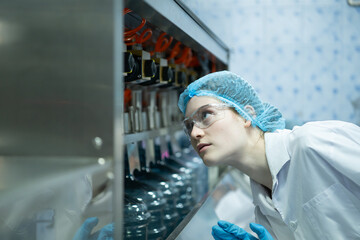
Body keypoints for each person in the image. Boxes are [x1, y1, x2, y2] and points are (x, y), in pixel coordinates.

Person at [177, 71, 360, 240]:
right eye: (189, 126)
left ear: (246, 115)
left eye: (206, 115)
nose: (195, 133)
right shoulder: (263, 213)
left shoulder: (314, 143)